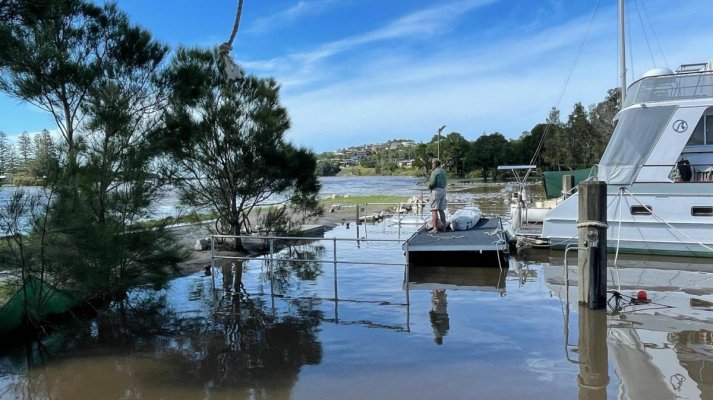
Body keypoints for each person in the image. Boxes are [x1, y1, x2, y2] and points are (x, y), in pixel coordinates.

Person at [428, 158, 447, 233]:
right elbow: (446, 182)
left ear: (435, 164)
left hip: (436, 190)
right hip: (443, 190)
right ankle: (444, 227)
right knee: (441, 210)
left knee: (434, 210)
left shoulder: (435, 172)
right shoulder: (443, 171)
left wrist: (429, 187)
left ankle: (435, 228)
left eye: (432, 164)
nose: (432, 165)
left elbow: (432, 183)